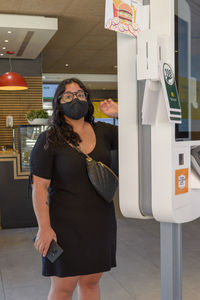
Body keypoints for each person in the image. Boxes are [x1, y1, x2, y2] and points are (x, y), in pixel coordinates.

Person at [30, 78, 118, 300]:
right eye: (68, 96)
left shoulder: (105, 131)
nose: (75, 99)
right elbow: (39, 187)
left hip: (100, 222)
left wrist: (120, 114)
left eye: (80, 94)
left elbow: (142, 136)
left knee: (91, 282)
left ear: (88, 101)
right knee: (63, 287)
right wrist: (44, 228)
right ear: (59, 103)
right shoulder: (48, 139)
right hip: (63, 225)